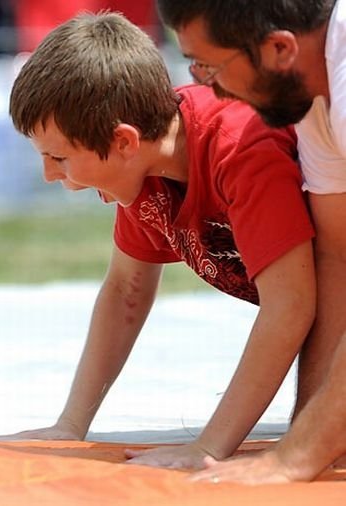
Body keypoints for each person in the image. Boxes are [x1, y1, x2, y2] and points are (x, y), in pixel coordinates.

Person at [5, 11, 316, 471]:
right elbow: (125, 291)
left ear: (124, 141)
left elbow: (292, 305)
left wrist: (211, 446)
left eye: (58, 157)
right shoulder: (144, 174)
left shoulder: (240, 147)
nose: (51, 176)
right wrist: (70, 423)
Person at [157, 0, 346, 483]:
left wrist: (296, 458)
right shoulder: (311, 92)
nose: (202, 84)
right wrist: (312, 432)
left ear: (280, 47)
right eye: (192, 65)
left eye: (209, 65)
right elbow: (337, 255)